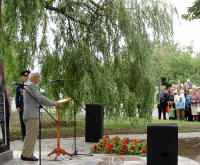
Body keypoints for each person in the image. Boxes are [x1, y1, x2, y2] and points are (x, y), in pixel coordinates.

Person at [21, 72, 61, 161]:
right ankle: (27, 155)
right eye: (39, 78)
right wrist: (52, 103)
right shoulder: (32, 85)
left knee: (29, 136)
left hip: (28, 114)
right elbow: (39, 98)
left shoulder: (27, 84)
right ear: (35, 78)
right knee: (31, 136)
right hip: (32, 115)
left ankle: (25, 153)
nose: (39, 80)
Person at [15, 70, 30, 141]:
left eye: (27, 76)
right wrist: (17, 106)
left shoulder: (31, 85)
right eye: (25, 76)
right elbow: (16, 97)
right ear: (22, 77)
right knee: (22, 123)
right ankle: (24, 137)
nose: (26, 77)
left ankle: (29, 137)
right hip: (22, 108)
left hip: (30, 108)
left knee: (29, 123)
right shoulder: (19, 86)